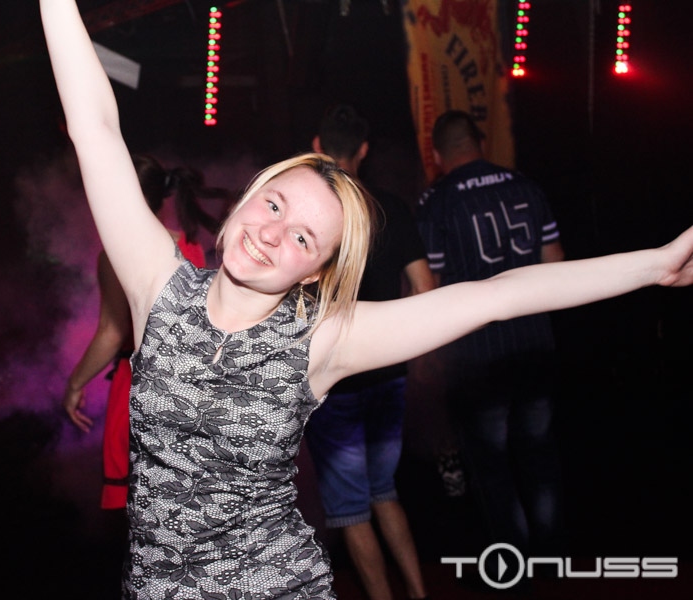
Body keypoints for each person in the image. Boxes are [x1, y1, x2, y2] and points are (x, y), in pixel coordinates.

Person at [40, 1, 693, 597]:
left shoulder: (322, 338)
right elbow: (94, 125)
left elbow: (499, 294)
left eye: (303, 237)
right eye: (274, 205)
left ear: (314, 272)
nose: (272, 234)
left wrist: (656, 265)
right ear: (245, 200)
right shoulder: (157, 285)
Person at [415, 109, 566, 557]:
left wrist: (429, 354)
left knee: (492, 463)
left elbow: (430, 287)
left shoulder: (437, 201)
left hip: (477, 354)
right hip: (534, 342)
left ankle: (511, 567)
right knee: (539, 452)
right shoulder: (526, 186)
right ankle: (551, 557)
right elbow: (556, 264)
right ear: (480, 142)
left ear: (437, 155)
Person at [304, 104, 432, 600]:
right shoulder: (391, 207)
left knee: (350, 510)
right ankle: (418, 593)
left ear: (317, 146)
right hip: (389, 372)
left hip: (335, 378)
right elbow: (424, 287)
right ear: (363, 149)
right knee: (384, 491)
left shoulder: (315, 211)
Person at [63, 153, 226, 509]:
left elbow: (111, 332)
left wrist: (74, 385)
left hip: (139, 388)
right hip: (191, 394)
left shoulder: (116, 255)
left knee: (140, 515)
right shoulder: (191, 245)